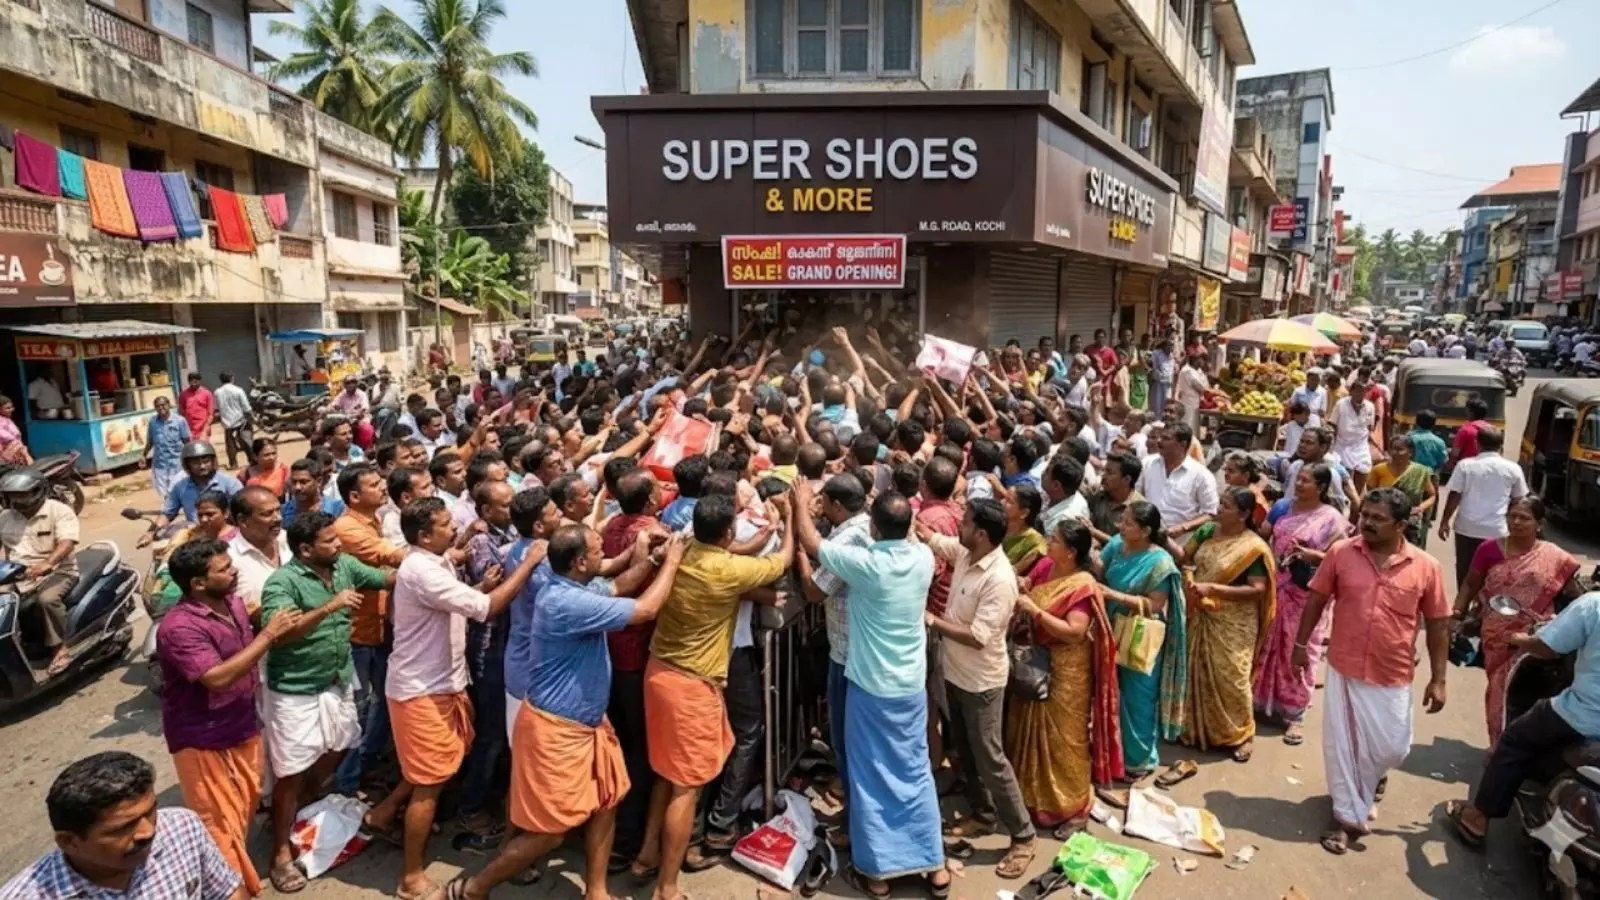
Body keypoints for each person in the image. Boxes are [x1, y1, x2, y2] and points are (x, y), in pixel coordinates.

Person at [452, 526, 687, 900]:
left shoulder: (573, 587)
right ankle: (473, 888)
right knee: (551, 832)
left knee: (607, 801)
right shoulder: (567, 602)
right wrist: (673, 561)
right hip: (557, 732)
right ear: (579, 562)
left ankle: (597, 891)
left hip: (587, 725)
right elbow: (646, 609)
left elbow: (620, 585)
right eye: (596, 551)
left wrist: (654, 558)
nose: (602, 555)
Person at [360, 498, 541, 900]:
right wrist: (528, 564)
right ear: (425, 536)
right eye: (446, 524)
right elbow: (487, 609)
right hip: (421, 689)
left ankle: (383, 813)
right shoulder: (422, 569)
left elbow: (458, 601)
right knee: (429, 784)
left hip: (442, 682)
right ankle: (411, 878)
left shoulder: (435, 560)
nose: (456, 528)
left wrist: (479, 588)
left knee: (435, 767)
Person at [631, 493, 793, 900]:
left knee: (666, 774)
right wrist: (789, 518)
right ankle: (667, 887)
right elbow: (783, 561)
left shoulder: (680, 550)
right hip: (692, 686)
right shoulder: (727, 569)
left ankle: (647, 854)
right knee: (687, 788)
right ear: (727, 534)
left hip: (658, 671)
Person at [1293, 488, 1450, 854]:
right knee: (1344, 747)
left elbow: (1439, 623)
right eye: (1365, 515)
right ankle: (1346, 817)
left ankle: (1371, 777)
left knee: (1393, 749)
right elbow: (1317, 599)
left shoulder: (1426, 566)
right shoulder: (1341, 553)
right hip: (1345, 666)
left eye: (1379, 518)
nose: (1367, 523)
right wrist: (1301, 647)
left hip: (1392, 670)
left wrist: (1439, 679)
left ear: (1401, 525)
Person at [811, 491, 948, 898]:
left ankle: (878, 873)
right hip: (910, 688)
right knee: (915, 770)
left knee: (869, 774)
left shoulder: (867, 566)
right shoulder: (923, 558)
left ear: (873, 527)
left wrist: (798, 505)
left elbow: (813, 544)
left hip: (871, 690)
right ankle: (934, 865)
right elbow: (912, 535)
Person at [158, 539, 302, 895]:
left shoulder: (233, 602)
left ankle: (229, 877)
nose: (234, 571)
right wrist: (270, 634)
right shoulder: (179, 628)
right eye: (224, 569)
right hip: (202, 737)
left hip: (242, 723)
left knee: (242, 811)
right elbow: (217, 677)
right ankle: (232, 888)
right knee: (219, 824)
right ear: (198, 583)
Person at [257, 510, 390, 893]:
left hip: (338, 680)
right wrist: (330, 607)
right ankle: (280, 853)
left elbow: (383, 578)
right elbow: (280, 633)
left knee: (340, 746)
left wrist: (427, 565)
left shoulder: (344, 565)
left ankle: (302, 804)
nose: (338, 544)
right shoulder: (282, 583)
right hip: (295, 690)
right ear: (305, 550)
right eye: (329, 541)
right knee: (291, 771)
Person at [920, 499, 1036, 879]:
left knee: (990, 758)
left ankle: (1023, 834)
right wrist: (914, 527)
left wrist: (932, 620)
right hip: (955, 674)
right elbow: (937, 541)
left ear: (982, 534)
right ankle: (983, 813)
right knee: (965, 750)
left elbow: (978, 636)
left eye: (966, 522)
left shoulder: (999, 579)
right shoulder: (966, 554)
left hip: (981, 682)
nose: (959, 527)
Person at [1444, 588, 1600, 849]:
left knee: (1515, 740)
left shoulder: (1593, 605)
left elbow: (1548, 648)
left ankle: (1477, 819)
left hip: (1582, 714)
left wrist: (1520, 640)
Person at [0, 751, 246, 900]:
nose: (148, 832)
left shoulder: (182, 828)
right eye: (122, 828)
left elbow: (227, 892)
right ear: (69, 842)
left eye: (150, 812)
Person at [1006, 519, 1120, 838]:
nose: (1048, 542)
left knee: (1064, 741)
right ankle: (1029, 799)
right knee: (1025, 728)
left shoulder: (1082, 585)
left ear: (1070, 552)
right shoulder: (1045, 567)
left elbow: (1074, 632)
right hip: (1034, 661)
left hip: (1067, 671)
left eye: (1054, 540)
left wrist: (1035, 611)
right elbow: (1027, 587)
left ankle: (1070, 807)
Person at [1452, 496, 1581, 747]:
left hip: (1539, 636)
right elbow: (1470, 583)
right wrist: (1456, 614)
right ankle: (1500, 746)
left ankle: (1526, 746)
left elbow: (1572, 594)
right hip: (1497, 634)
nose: (1517, 522)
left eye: (1524, 518)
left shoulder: (1554, 556)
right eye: (1512, 516)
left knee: (1532, 690)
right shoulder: (1488, 549)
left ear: (1539, 524)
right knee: (1499, 691)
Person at [330, 465, 414, 797]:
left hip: (378, 629)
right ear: (354, 496)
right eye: (374, 484)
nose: (382, 488)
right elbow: (389, 556)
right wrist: (433, 552)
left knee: (382, 703)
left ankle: (364, 767)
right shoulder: (347, 529)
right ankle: (346, 783)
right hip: (358, 635)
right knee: (362, 709)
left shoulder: (373, 520)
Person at [1256, 463, 1350, 744]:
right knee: (1268, 644)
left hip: (1307, 593)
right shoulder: (1283, 507)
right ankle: (1263, 701)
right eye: (1298, 479)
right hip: (1275, 587)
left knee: (1300, 649)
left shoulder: (1331, 518)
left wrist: (1314, 556)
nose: (1298, 484)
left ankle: (1295, 713)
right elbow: (1262, 539)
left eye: (1306, 481)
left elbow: (1343, 556)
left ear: (1321, 487)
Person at [1180, 487, 1275, 762]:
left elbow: (1257, 590)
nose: (1219, 510)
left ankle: (1243, 734)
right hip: (1200, 611)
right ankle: (1198, 729)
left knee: (1233, 676)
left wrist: (1213, 589)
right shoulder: (1207, 531)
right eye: (1220, 503)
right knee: (1196, 668)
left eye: (1227, 506)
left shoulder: (1252, 548)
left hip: (1234, 620)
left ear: (1244, 514)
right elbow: (1185, 557)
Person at [1097, 501, 1187, 778]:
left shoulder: (1160, 562)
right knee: (1111, 694)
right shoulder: (1117, 544)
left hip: (1139, 636)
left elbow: (1156, 605)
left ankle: (1139, 761)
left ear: (1146, 531)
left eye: (1128, 523)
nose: (1121, 527)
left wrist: (1114, 595)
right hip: (1109, 629)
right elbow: (1099, 567)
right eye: (1122, 521)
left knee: (1138, 699)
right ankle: (1111, 756)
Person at [0, 470, 80, 676]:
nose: (17, 500)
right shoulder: (5, 517)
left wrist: (48, 563)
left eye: (22, 494)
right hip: (17, 574)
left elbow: (67, 542)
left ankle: (59, 649)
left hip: (58, 571)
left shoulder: (59, 510)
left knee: (47, 600)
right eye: (12, 495)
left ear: (37, 491)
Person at [1439, 426, 1528, 591]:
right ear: (1501, 445)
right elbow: (1518, 499)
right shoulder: (1513, 468)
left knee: (1465, 570)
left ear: (1477, 443)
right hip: (1497, 530)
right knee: (1494, 572)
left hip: (1467, 528)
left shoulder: (1465, 465)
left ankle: (1463, 603)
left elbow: (1454, 496)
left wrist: (1445, 521)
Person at [1135, 422, 1217, 540]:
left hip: (1180, 541)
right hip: (1145, 537)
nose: (1159, 441)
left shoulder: (1201, 475)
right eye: (1160, 437)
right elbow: (1136, 495)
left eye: (1166, 438)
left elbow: (1211, 513)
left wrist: (1183, 527)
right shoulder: (1147, 463)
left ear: (1182, 444)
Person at [226, 487, 287, 616]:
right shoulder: (228, 559)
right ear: (242, 520)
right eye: (267, 514)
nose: (278, 518)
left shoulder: (291, 541)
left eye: (278, 510)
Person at [1367, 433, 1437, 543]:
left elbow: (1432, 495)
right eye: (1393, 449)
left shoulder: (1420, 471)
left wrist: (1420, 508)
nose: (1395, 453)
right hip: (1383, 520)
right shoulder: (1378, 470)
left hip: (1409, 522)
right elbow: (1371, 495)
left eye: (1400, 449)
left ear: (1410, 452)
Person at [161, 442, 243, 525]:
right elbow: (167, 514)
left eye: (206, 462)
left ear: (213, 462)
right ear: (188, 465)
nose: (202, 466)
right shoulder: (180, 487)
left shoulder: (229, 483)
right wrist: (155, 530)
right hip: (196, 530)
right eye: (195, 463)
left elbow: (243, 510)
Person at [143, 396, 192, 503]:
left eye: (163, 405)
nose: (161, 408)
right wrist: (144, 455)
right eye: (157, 406)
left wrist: (190, 459)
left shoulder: (180, 421)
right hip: (160, 464)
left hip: (177, 463)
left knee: (177, 488)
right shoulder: (153, 422)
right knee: (164, 492)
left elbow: (187, 441)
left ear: (169, 405)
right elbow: (150, 441)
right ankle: (169, 508)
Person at [282, 458, 344, 525]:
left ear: (319, 481)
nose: (297, 487)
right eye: (294, 482)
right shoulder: (283, 511)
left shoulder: (337, 508)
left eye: (303, 482)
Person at [213, 372, 252, 470]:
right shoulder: (238, 390)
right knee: (246, 441)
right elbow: (246, 407)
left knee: (230, 444)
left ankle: (233, 464)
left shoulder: (217, 392)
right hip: (240, 421)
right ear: (232, 378)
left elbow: (216, 408)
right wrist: (253, 417)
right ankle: (252, 460)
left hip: (227, 423)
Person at [1447, 397, 1492, 468]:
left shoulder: (1465, 430)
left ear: (1471, 413)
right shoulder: (1492, 429)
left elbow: (1455, 453)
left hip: (1467, 468)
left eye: (1467, 410)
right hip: (1487, 467)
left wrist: (1450, 466)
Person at [179, 373, 215, 442]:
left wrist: (205, 430)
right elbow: (181, 412)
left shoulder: (207, 393)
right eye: (191, 382)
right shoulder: (183, 395)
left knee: (203, 447)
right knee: (191, 448)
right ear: (188, 382)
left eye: (195, 382)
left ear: (200, 381)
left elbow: (210, 414)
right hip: (189, 430)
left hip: (203, 428)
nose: (193, 384)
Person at [0, 395, 32, 467]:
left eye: (12, 407)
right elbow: (9, 438)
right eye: (7, 408)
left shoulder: (7, 420)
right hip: (5, 457)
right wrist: (26, 455)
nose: (12, 409)